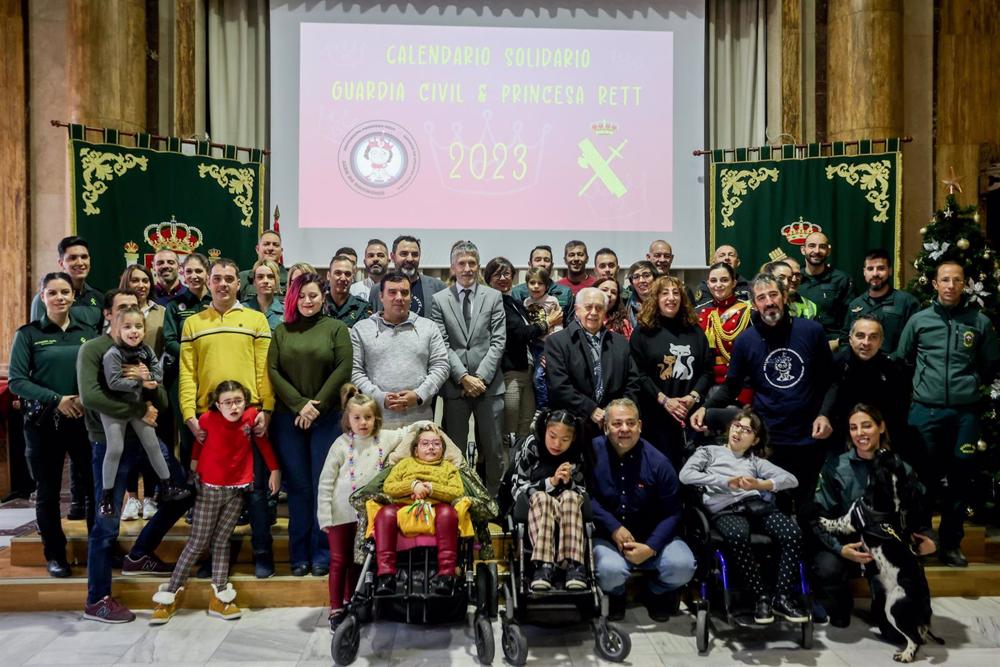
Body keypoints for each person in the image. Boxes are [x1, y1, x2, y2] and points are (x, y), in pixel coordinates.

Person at [80, 288, 193, 623]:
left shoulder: (143, 350)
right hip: (109, 440)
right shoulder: (94, 349)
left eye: (135, 311)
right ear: (108, 315)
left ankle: (141, 552)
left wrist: (150, 391)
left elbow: (161, 400)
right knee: (107, 523)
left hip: (146, 439)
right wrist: (138, 407)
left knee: (181, 493)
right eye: (122, 309)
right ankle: (97, 598)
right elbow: (91, 397)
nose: (131, 316)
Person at [692, 274, 835, 510]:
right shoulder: (746, 340)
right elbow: (731, 386)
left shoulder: (812, 331)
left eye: (773, 294)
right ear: (754, 304)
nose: (769, 302)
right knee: (771, 510)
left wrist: (825, 414)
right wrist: (705, 408)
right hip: (768, 442)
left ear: (785, 297)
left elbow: (831, 380)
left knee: (806, 508)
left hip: (809, 438)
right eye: (761, 297)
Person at [895, 260, 1000, 567]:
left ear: (964, 284)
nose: (951, 285)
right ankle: (922, 540)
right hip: (924, 412)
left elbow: (991, 363)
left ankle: (952, 544)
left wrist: (968, 386)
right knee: (921, 479)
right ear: (935, 284)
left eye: (957, 280)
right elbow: (903, 360)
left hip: (964, 415)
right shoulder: (919, 320)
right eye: (945, 280)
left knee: (960, 478)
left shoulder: (978, 322)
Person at [150, 380, 281, 625]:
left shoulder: (252, 417)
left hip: (238, 488)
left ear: (246, 401)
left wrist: (274, 469)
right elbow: (199, 444)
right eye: (228, 402)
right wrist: (193, 467)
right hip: (209, 488)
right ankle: (169, 595)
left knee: (222, 540)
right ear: (217, 404)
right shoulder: (208, 420)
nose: (234, 407)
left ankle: (220, 595)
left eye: (238, 401)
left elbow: (262, 443)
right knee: (198, 541)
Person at [180, 258, 277, 579]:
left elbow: (265, 368)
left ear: (239, 284)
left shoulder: (256, 320)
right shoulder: (193, 323)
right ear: (208, 283)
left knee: (257, 493)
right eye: (217, 278)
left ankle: (263, 554)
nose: (223, 284)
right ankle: (213, 556)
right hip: (211, 422)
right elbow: (187, 374)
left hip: (250, 418)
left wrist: (266, 408)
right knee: (214, 496)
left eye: (229, 279)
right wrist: (189, 415)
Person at [810, 404, 936, 629]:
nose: (860, 433)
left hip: (886, 548)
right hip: (849, 543)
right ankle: (840, 605)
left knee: (893, 627)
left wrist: (928, 539)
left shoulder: (901, 469)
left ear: (881, 427)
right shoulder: (836, 467)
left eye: (866, 426)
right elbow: (820, 518)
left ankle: (882, 608)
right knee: (826, 567)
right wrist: (841, 549)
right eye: (854, 428)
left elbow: (919, 512)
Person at [317, 387, 432, 631]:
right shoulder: (340, 444)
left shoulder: (384, 439)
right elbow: (326, 481)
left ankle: (353, 601)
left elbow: (406, 432)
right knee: (339, 561)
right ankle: (336, 608)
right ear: (348, 419)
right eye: (357, 418)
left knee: (360, 560)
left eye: (368, 417)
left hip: (368, 515)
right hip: (340, 513)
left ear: (376, 419)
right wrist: (324, 515)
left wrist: (426, 424)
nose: (363, 423)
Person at [679, 407, 807, 624]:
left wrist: (761, 484)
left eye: (746, 430)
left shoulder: (755, 461)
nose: (738, 432)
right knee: (738, 535)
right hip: (727, 508)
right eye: (736, 426)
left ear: (755, 440)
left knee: (792, 533)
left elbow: (791, 479)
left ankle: (782, 597)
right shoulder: (708, 452)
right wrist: (723, 481)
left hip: (755, 505)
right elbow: (685, 475)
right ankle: (761, 597)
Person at [9, 272, 98, 577]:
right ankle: (55, 555)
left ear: (74, 296)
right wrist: (57, 399)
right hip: (43, 424)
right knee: (47, 493)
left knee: (91, 490)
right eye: (53, 292)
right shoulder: (28, 334)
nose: (60, 297)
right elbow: (17, 381)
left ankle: (98, 551)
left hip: (83, 422)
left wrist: (85, 398)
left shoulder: (87, 333)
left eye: (65, 292)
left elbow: (96, 374)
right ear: (42, 296)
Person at [268, 272, 353, 577]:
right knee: (299, 488)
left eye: (314, 295)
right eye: (302, 296)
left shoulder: (337, 329)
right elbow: (273, 370)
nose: (307, 301)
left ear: (324, 297)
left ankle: (322, 552)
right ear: (293, 298)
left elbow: (344, 369)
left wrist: (314, 406)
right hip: (288, 418)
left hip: (326, 418)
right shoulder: (282, 331)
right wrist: (298, 404)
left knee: (322, 487)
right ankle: (298, 553)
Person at [588, 399, 696, 621]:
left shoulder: (659, 462)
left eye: (630, 423)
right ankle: (616, 595)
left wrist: (651, 547)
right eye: (617, 424)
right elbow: (585, 497)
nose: (624, 429)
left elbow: (674, 512)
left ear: (640, 426)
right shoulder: (590, 452)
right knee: (610, 572)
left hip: (651, 537)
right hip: (607, 537)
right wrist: (614, 527)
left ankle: (655, 593)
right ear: (605, 427)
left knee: (683, 566)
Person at [430, 241, 507, 496]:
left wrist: (480, 378)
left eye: (472, 263)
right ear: (452, 267)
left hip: (490, 385)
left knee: (494, 448)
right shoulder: (439, 300)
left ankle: (493, 498)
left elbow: (498, 341)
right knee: (454, 450)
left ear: (479, 266)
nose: (467, 268)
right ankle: (457, 497)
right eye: (461, 263)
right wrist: (463, 377)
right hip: (455, 388)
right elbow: (442, 343)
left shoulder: (494, 297)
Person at [96, 305, 189, 516]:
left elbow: (156, 376)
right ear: (117, 330)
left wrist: (145, 378)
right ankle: (107, 497)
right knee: (115, 448)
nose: (134, 331)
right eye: (127, 327)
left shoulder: (146, 351)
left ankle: (167, 485)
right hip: (116, 407)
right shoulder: (113, 353)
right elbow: (113, 382)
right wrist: (140, 381)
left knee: (153, 444)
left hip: (138, 406)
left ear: (144, 330)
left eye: (138, 326)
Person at [629, 276, 713, 466]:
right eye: (665, 293)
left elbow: (707, 371)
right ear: (655, 298)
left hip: (691, 414)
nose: (671, 298)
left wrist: (692, 397)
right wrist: (664, 400)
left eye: (676, 293)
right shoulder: (642, 333)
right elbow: (638, 374)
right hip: (656, 416)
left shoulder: (695, 331)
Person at [373, 424, 464, 596]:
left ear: (443, 450)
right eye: (425, 443)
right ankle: (386, 575)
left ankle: (446, 574)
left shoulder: (448, 468)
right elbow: (388, 487)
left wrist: (431, 488)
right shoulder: (404, 464)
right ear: (415, 450)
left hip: (436, 507)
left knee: (449, 514)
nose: (431, 447)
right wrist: (412, 485)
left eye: (437, 444)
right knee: (384, 514)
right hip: (404, 506)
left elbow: (457, 491)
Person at [352, 272, 450, 428]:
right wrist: (379, 397)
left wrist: (419, 395)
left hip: (419, 421)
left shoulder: (428, 327)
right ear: (380, 296)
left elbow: (442, 366)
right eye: (392, 292)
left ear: (411, 297)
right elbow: (355, 371)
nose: (399, 297)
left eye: (404, 292)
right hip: (375, 421)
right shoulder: (361, 329)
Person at [510, 409, 590, 592]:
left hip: (566, 507)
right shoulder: (532, 445)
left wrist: (569, 483)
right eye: (552, 436)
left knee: (571, 497)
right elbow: (517, 487)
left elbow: (583, 490)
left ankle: (574, 565)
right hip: (537, 506)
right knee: (542, 498)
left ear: (573, 438)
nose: (557, 444)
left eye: (564, 440)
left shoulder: (577, 452)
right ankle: (543, 566)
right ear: (545, 430)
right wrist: (550, 483)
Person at [545, 287, 641, 436]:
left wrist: (618, 412)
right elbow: (559, 386)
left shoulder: (620, 342)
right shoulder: (557, 342)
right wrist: (591, 409)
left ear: (605, 312)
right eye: (588, 307)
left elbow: (633, 381)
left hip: (614, 426)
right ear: (577, 310)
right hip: (573, 424)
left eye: (599, 308)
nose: (594, 312)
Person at [485, 257, 557, 440]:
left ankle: (522, 465)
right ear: (488, 278)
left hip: (527, 368)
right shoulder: (491, 303)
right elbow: (518, 333)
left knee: (526, 426)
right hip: (509, 373)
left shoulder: (514, 302)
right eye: (497, 274)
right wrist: (547, 323)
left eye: (507, 273)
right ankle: (507, 468)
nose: (503, 278)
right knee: (508, 429)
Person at [119, 263, 169, 519]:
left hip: (152, 385)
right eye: (135, 280)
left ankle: (150, 496)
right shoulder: (119, 311)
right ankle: (131, 498)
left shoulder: (161, 311)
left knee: (151, 443)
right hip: (124, 387)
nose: (141, 285)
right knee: (128, 445)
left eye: (145, 280)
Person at [829, 316, 909, 460]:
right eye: (860, 336)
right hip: (840, 441)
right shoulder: (834, 365)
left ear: (881, 341)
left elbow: (898, 414)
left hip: (880, 441)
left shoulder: (892, 370)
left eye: (873, 337)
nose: (866, 342)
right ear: (850, 338)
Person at [163, 252, 212, 470]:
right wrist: (195, 355)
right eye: (189, 271)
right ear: (182, 273)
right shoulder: (175, 305)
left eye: (199, 271)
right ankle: (188, 487)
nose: (194, 276)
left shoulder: (217, 301)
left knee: (214, 431)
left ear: (207, 273)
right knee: (189, 433)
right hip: (183, 376)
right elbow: (169, 340)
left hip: (212, 375)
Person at [839, 248, 919, 353]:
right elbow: (845, 339)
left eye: (881, 268)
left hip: (894, 366)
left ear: (890, 271)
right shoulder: (855, 304)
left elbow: (914, 340)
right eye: (870, 269)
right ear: (864, 272)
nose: (875, 273)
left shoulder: (907, 302)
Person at [696, 262, 753, 407]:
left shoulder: (749, 312)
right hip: (706, 385)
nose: (718, 285)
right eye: (713, 281)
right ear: (708, 284)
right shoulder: (698, 312)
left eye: (724, 280)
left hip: (739, 385)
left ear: (734, 283)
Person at [29, 235, 104, 334]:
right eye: (73, 258)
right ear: (61, 263)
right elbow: (37, 340)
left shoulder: (99, 297)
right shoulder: (43, 299)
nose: (80, 262)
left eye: (84, 257)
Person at [797, 232, 854, 345]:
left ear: (829, 251)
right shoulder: (794, 279)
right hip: (800, 342)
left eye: (822, 247)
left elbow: (851, 317)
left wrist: (839, 342)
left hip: (833, 343)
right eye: (812, 246)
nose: (817, 251)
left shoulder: (842, 279)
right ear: (803, 250)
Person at [367, 235, 447, 317]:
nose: (410, 259)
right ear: (392, 257)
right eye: (404, 254)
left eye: (415, 254)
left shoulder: (439, 288)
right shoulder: (377, 290)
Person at [523, 266, 563, 409]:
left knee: (539, 376)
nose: (536, 286)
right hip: (532, 344)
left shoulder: (552, 301)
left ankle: (543, 407)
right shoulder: (526, 303)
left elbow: (558, 325)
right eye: (532, 283)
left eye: (540, 283)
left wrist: (554, 345)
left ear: (546, 286)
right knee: (530, 378)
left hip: (547, 345)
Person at [510, 245, 575, 322]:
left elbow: (570, 323)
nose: (542, 264)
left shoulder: (565, 292)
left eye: (546, 260)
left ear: (552, 265)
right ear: (530, 264)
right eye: (538, 260)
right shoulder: (517, 292)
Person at [324, 253, 373, 327]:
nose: (343, 278)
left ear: (353, 277)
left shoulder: (362, 308)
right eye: (338, 273)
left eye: (347, 274)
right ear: (328, 276)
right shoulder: (319, 305)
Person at [238, 230, 287, 300]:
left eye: (275, 245)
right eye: (266, 244)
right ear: (257, 249)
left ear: (281, 251)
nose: (270, 248)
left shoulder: (291, 280)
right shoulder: (243, 278)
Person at [243, 259, 286, 331]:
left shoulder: (286, 311)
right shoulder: (242, 309)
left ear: (276, 281)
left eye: (270, 277)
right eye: (260, 277)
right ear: (254, 281)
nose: (265, 281)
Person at [624, 260, 656, 329]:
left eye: (646, 275)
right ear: (632, 282)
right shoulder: (625, 304)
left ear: (655, 278)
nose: (641, 280)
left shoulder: (663, 302)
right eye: (636, 277)